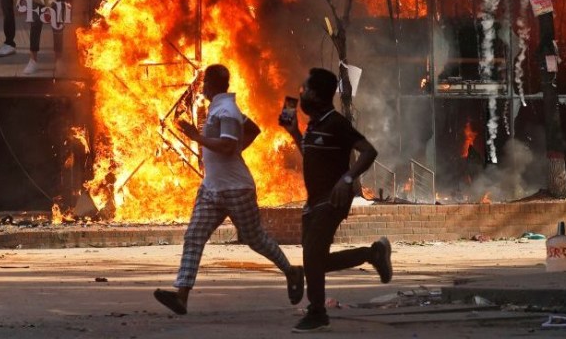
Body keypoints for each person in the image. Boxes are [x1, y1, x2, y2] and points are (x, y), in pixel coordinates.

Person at [154, 64, 305, 315]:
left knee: (255, 239)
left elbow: (225, 147)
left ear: (211, 85)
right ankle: (181, 295)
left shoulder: (226, 111)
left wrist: (196, 137)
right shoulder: (221, 107)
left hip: (236, 189)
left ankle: (292, 271)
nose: (202, 88)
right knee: (194, 236)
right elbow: (253, 129)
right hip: (212, 188)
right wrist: (237, 150)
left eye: (204, 84)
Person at [280, 67, 393, 333]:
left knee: (312, 257)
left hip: (332, 200)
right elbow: (311, 155)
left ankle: (317, 312)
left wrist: (347, 180)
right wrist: (295, 133)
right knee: (315, 262)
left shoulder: (336, 123)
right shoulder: (315, 125)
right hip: (313, 201)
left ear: (318, 95)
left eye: (306, 89)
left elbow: (368, 151)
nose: (301, 93)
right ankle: (373, 253)